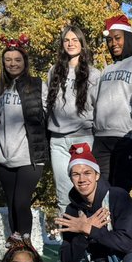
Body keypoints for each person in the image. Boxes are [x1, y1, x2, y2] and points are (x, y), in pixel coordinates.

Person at [54, 143, 132, 262]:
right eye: (76, 174)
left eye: (87, 173)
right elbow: (67, 260)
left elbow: (127, 243)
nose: (82, 179)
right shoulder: (72, 210)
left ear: (97, 175)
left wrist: (89, 229)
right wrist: (83, 235)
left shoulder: (118, 196)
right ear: (71, 178)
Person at [0, 35, 48, 240]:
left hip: (30, 155)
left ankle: (26, 241)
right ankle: (15, 241)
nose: (12, 64)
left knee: (21, 201)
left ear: (24, 62)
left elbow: (48, 115)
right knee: (11, 202)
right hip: (5, 156)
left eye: (17, 60)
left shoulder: (37, 85)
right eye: (8, 60)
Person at [94, 14, 132, 190]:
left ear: (127, 38)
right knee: (100, 194)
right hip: (100, 139)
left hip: (126, 137)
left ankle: (123, 219)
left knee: (119, 192)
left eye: (118, 38)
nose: (113, 43)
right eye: (110, 40)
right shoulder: (106, 69)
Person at [46, 25, 100, 213]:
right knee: (63, 194)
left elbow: (98, 107)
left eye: (75, 40)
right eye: (67, 40)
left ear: (82, 44)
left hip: (83, 138)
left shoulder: (94, 74)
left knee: (85, 191)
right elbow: (47, 104)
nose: (70, 43)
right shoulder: (53, 71)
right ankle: (67, 241)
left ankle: (89, 237)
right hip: (58, 140)